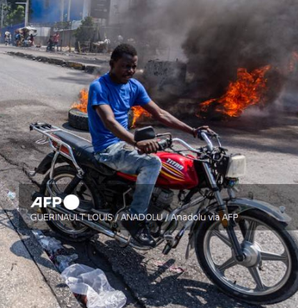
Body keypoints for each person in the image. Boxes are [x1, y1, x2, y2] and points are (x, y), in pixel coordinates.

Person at [88, 44, 212, 247]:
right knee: (152, 163)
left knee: (172, 159)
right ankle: (135, 219)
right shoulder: (99, 87)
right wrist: (136, 142)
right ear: (112, 64)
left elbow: (160, 113)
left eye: (133, 66)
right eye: (125, 66)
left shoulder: (134, 86)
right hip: (108, 149)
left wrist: (193, 131)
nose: (130, 71)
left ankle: (152, 204)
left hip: (125, 146)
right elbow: (109, 122)